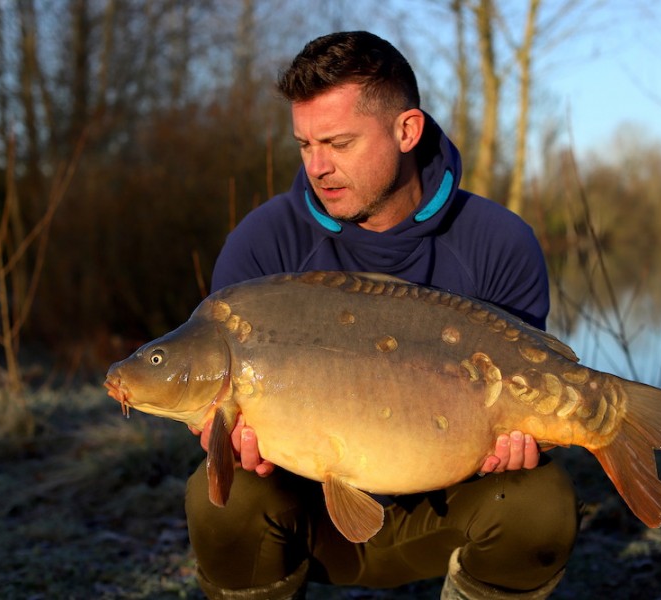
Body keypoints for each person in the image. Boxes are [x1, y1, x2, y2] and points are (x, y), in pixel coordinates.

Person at [185, 31, 579, 600]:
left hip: (446, 508)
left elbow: (527, 392)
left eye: (340, 143)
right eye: (305, 145)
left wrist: (523, 439)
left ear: (406, 130)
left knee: (538, 502)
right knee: (221, 496)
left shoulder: (498, 242)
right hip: (310, 516)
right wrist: (227, 439)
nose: (318, 167)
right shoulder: (263, 246)